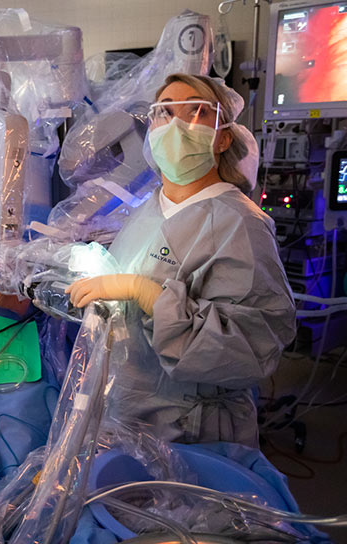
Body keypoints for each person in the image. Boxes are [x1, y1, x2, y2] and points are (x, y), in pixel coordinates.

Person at [65, 73, 295, 447]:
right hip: (129, 407)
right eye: (164, 112)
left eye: (196, 111)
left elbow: (251, 351)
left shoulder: (241, 225)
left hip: (193, 429)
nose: (175, 124)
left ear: (223, 137)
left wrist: (149, 295)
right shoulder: (149, 209)